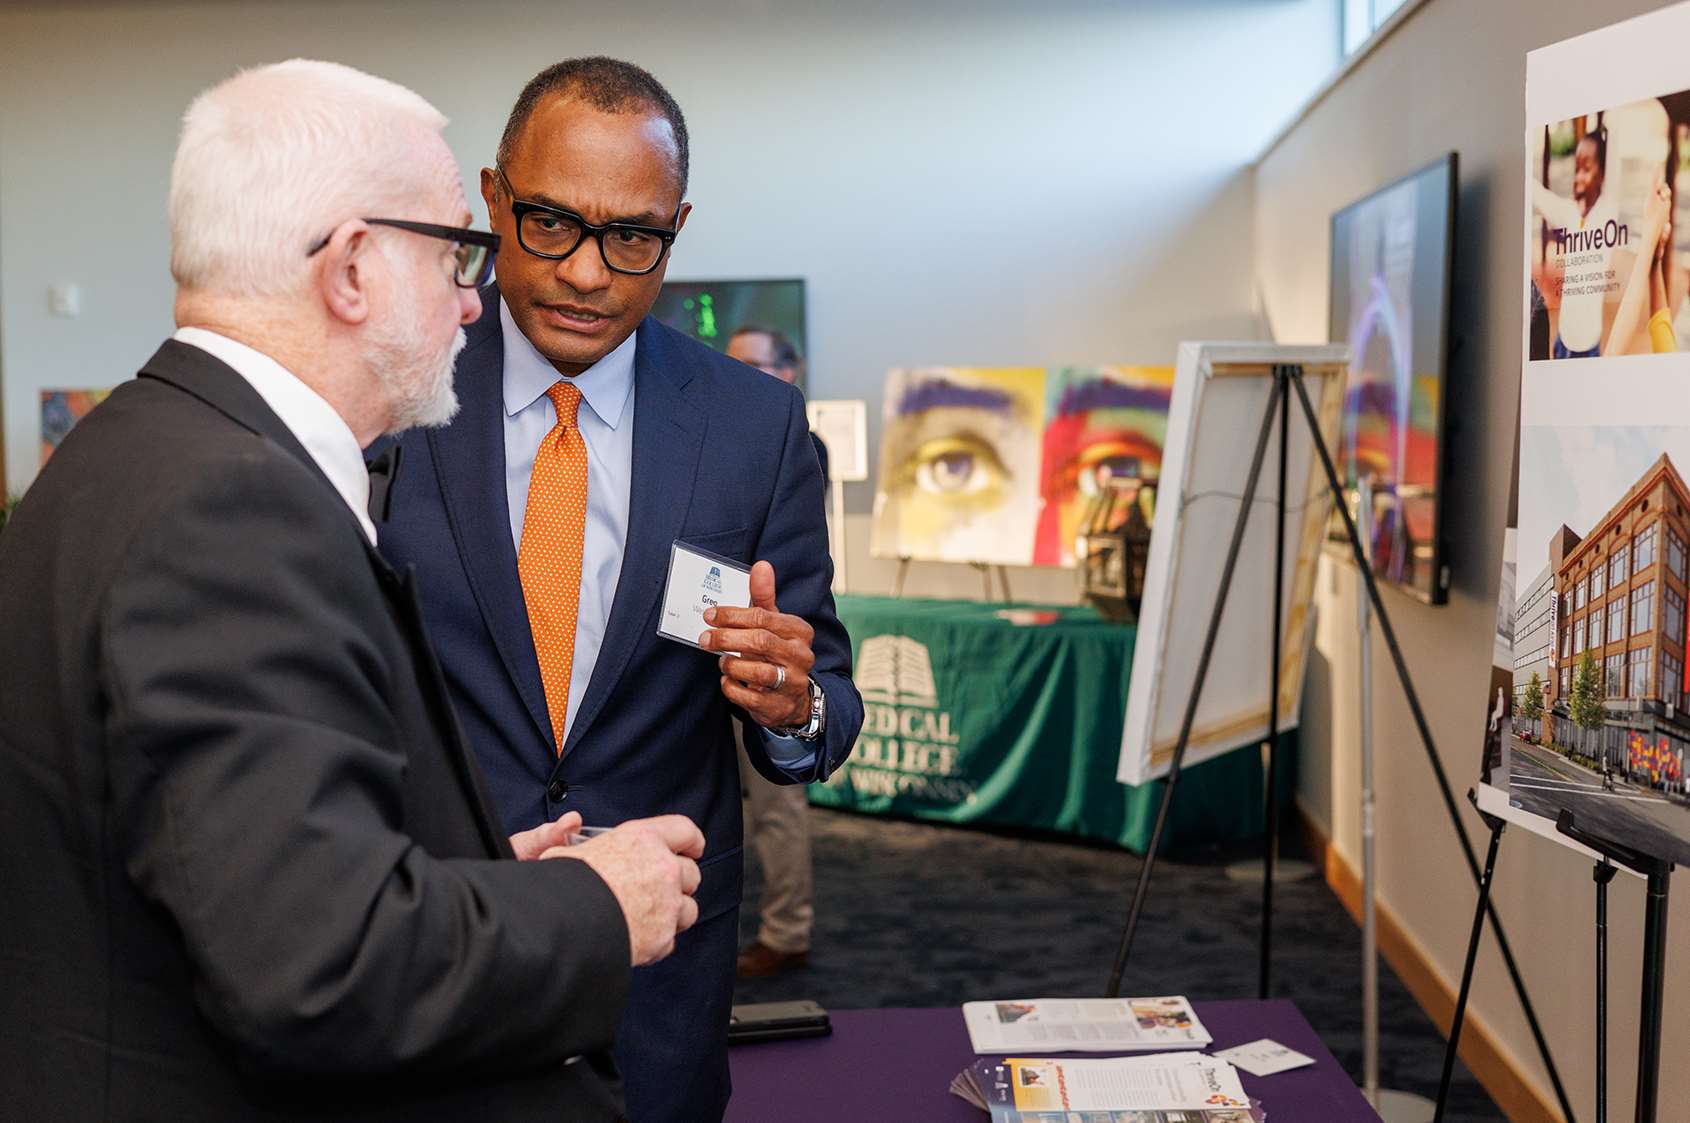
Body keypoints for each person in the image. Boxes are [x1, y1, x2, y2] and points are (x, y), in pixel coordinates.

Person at [0, 60, 707, 1122]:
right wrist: (593, 906)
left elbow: (223, 862)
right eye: (457, 253)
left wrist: (470, 874)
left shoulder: (133, 451)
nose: (476, 300)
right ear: (352, 270)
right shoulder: (235, 513)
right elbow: (318, 972)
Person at [376, 57, 863, 1122]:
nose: (589, 273)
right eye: (550, 222)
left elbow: (825, 692)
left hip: (663, 979)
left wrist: (795, 704)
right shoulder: (385, 399)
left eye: (632, 236)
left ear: (676, 228)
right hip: (435, 955)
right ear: (494, 198)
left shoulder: (752, 425)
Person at [725, 325, 823, 978]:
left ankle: (787, 930)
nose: (734, 379)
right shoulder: (710, 436)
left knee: (776, 802)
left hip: (770, 651)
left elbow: (799, 564)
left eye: (750, 366)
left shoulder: (800, 446)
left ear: (788, 373)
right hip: (703, 639)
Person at [1530, 127, 1616, 359]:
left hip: (1588, 347)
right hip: (1563, 341)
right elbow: (1543, 200)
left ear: (1604, 173)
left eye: (1587, 168)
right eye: (1577, 168)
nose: (1578, 177)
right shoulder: (1571, 214)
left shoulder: (1606, 214)